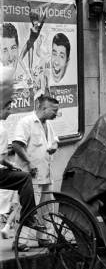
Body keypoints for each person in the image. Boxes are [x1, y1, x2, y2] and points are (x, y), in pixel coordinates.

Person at [12, 95, 59, 236]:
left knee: (47, 208)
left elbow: (55, 140)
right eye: (54, 110)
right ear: (44, 108)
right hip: (30, 174)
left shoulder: (48, 124)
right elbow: (17, 145)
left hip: (46, 173)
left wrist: (55, 146)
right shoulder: (26, 122)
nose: (56, 114)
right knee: (28, 207)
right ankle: (21, 240)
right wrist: (30, 162)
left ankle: (44, 237)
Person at [0, 100, 39, 249]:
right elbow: (1, 158)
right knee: (24, 177)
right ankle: (29, 217)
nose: (10, 112)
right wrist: (13, 165)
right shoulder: (2, 130)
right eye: (7, 109)